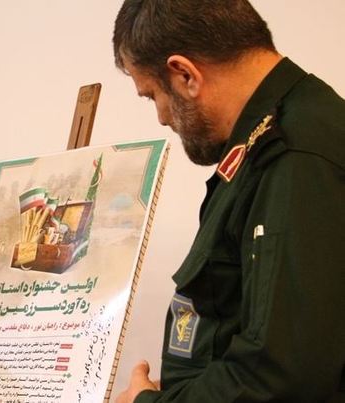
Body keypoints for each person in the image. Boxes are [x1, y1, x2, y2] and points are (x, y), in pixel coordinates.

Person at [112, 1, 344, 401]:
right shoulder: (271, 141)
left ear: (185, 75)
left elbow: (281, 377)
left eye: (151, 96)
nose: (162, 118)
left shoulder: (294, 156)